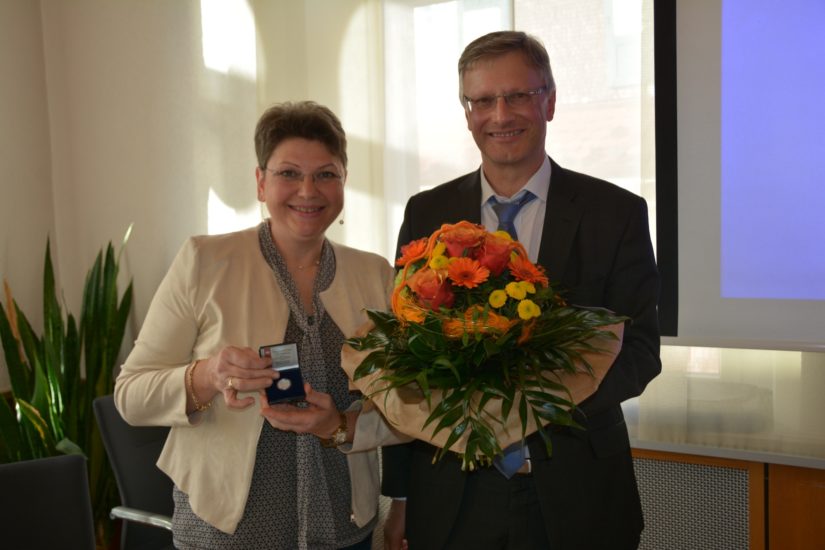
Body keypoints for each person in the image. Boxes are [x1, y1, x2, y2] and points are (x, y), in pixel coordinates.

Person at [381, 30, 661, 550]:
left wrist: (532, 405)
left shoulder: (615, 213)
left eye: (518, 95)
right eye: (483, 100)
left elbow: (641, 351)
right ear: (467, 113)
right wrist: (400, 495)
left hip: (578, 490)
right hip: (452, 495)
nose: (500, 114)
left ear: (549, 101)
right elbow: (403, 359)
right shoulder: (426, 212)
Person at [115, 101, 396, 550]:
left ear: (344, 181)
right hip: (226, 533)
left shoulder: (376, 275)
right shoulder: (204, 262)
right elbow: (131, 395)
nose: (308, 190)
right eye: (289, 173)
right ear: (261, 182)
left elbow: (408, 407)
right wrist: (207, 375)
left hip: (343, 530)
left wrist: (341, 425)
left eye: (326, 174)